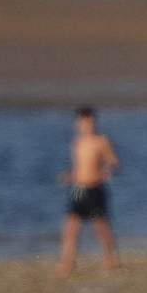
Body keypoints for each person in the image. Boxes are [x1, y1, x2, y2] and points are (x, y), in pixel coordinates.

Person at [56, 106, 120, 276]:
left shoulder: (101, 141)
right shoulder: (76, 143)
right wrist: (69, 175)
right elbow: (78, 167)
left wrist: (108, 171)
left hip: (95, 188)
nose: (87, 125)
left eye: (90, 122)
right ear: (77, 124)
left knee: (100, 225)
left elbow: (114, 162)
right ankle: (67, 263)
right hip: (78, 189)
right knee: (70, 226)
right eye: (83, 122)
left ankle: (110, 258)